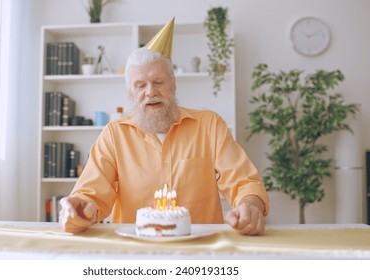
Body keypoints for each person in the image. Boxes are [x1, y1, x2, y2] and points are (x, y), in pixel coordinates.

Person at [60, 18, 269, 236]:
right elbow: (90, 194)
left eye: (158, 82)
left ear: (173, 85)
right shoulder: (114, 134)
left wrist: (250, 206)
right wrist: (80, 208)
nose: (150, 92)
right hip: (134, 251)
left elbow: (244, 182)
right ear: (131, 94)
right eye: (140, 85)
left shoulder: (209, 125)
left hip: (201, 251)